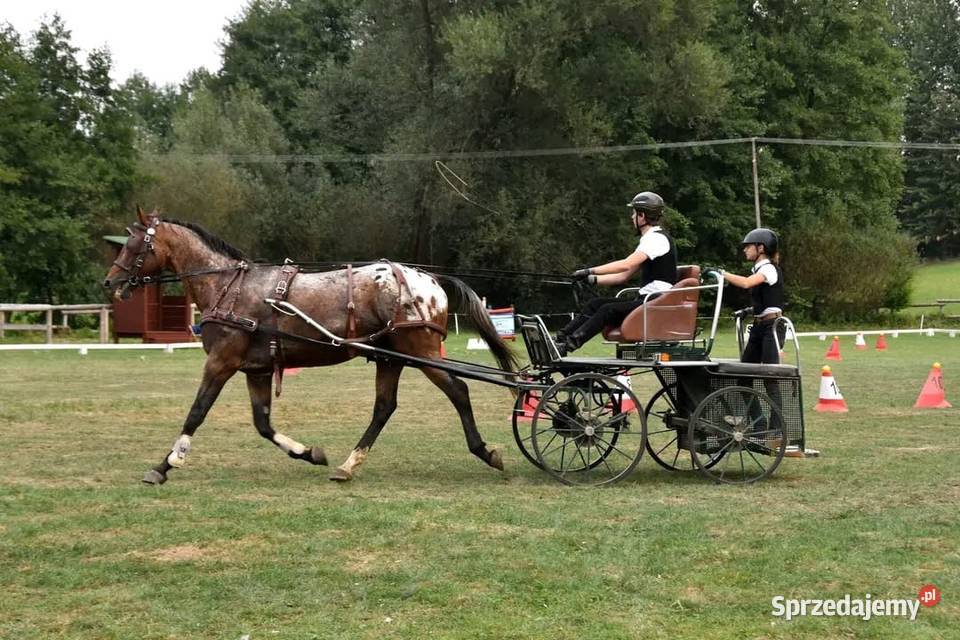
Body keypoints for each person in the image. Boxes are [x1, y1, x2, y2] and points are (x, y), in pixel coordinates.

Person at [556, 191, 678, 355]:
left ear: (642, 216)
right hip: (648, 301)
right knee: (595, 304)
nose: (632, 217)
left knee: (608, 309)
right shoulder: (651, 240)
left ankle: (568, 346)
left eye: (634, 213)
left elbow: (625, 265)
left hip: (655, 303)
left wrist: (589, 270)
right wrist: (591, 279)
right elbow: (624, 276)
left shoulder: (656, 239)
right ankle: (560, 339)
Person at [719, 227, 785, 364]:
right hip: (759, 326)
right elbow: (766, 300)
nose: (744, 250)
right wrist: (749, 310)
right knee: (747, 369)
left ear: (760, 248)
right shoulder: (759, 269)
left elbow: (746, 283)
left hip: (772, 327)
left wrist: (722, 273)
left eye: (748, 246)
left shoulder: (769, 268)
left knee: (769, 374)